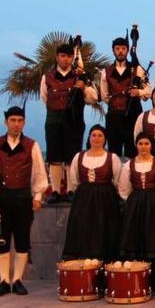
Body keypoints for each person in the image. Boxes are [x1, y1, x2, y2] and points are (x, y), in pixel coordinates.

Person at [0, 106, 48, 297]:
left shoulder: (32, 145)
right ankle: (3, 281)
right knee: (2, 241)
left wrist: (38, 196)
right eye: (13, 120)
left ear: (24, 122)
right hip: (1, 200)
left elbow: (39, 173)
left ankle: (17, 280)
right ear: (6, 122)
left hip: (23, 198)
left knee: (22, 241)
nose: (16, 124)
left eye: (20, 120)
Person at [42, 40, 98, 204]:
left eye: (69, 56)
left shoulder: (79, 76)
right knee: (54, 156)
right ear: (57, 57)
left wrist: (83, 87)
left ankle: (71, 190)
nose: (65, 59)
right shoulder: (47, 77)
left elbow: (93, 98)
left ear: (73, 57)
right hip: (53, 120)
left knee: (71, 157)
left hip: (74, 121)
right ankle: (56, 192)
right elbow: (44, 98)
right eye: (62, 56)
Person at [62, 125, 123, 262]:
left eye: (100, 135)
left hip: (106, 199)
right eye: (93, 135)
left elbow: (117, 180)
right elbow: (74, 180)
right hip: (83, 200)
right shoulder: (79, 156)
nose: (96, 138)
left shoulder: (112, 158)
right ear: (89, 138)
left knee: (104, 231)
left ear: (105, 139)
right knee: (83, 230)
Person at [117, 133, 155, 261]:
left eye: (146, 144)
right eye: (140, 144)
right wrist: (134, 199)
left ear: (151, 146)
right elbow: (124, 188)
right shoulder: (128, 165)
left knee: (153, 235)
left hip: (154, 203)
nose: (143, 147)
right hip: (135, 204)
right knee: (134, 234)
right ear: (136, 145)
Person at [100, 35, 151, 158]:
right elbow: (104, 96)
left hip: (133, 116)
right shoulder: (106, 71)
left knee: (133, 152)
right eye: (117, 48)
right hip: (113, 116)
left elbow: (148, 91)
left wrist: (138, 92)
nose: (120, 51)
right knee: (113, 153)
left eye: (123, 48)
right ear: (113, 50)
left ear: (128, 50)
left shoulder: (137, 69)